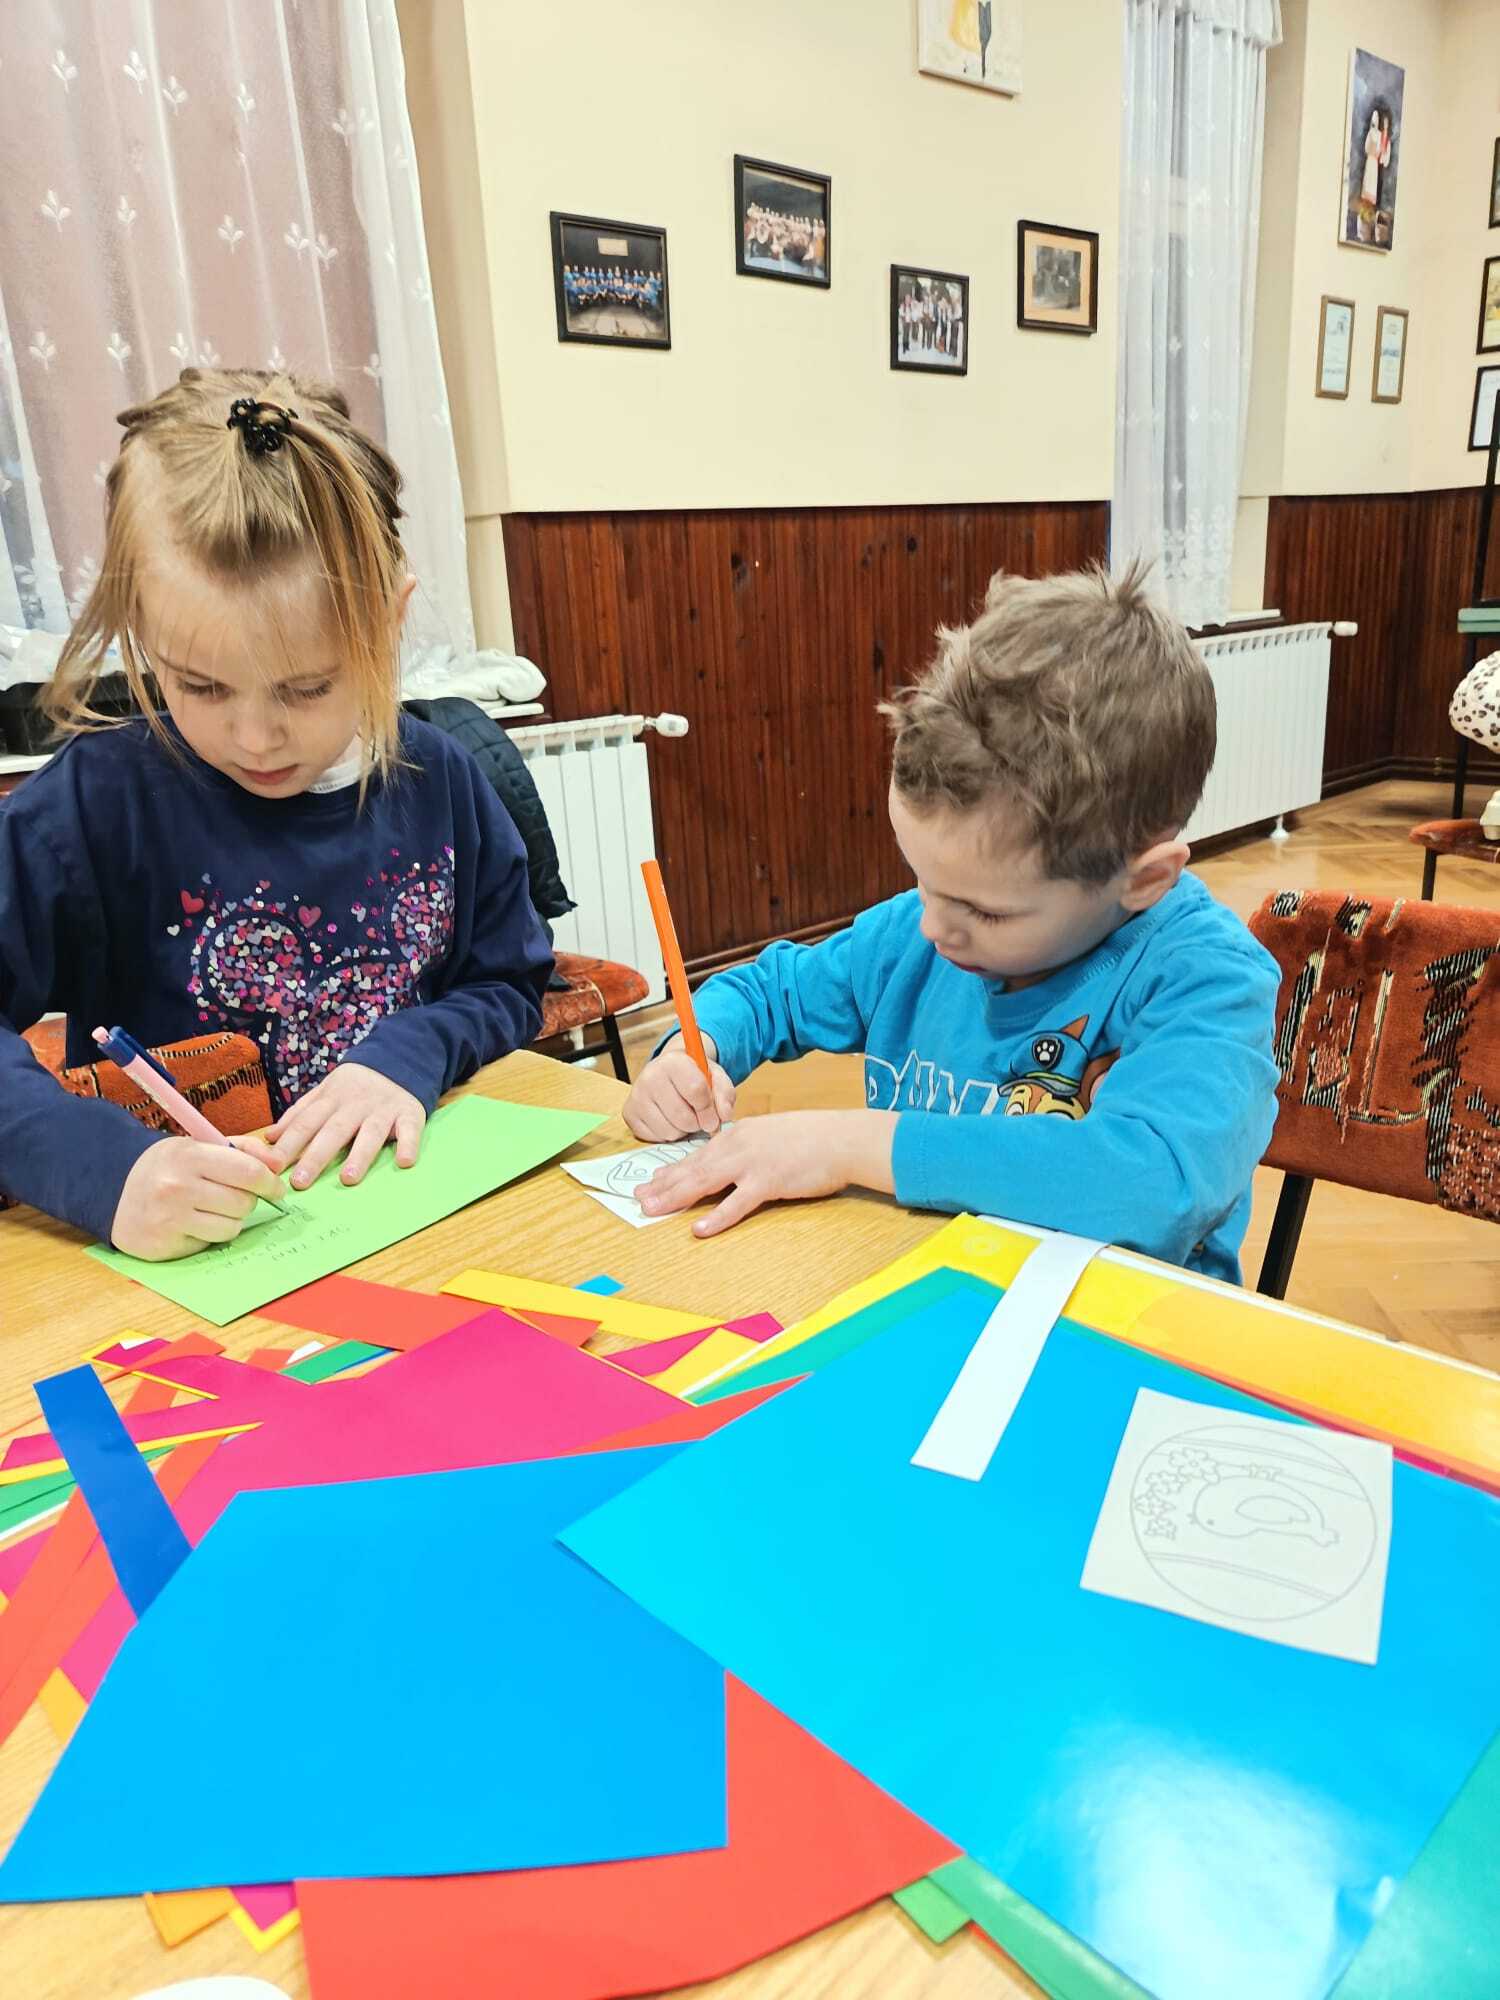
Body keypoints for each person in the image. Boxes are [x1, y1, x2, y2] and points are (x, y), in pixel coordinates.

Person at [0, 367, 553, 1260]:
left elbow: (509, 982)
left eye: (307, 688)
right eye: (201, 685)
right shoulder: (94, 805)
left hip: (421, 1235)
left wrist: (411, 1053)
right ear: (143, 629)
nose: (256, 738)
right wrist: (101, 1169)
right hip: (199, 1269)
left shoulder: (440, 777)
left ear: (391, 619)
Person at [624, 562, 1281, 1282]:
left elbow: (1151, 1185)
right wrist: (693, 1051)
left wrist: (854, 1144)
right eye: (922, 879)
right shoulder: (918, 933)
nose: (934, 928)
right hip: (926, 1291)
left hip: (1123, 1326)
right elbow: (768, 993)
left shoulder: (1206, 979)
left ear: (1143, 880)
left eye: (983, 909)